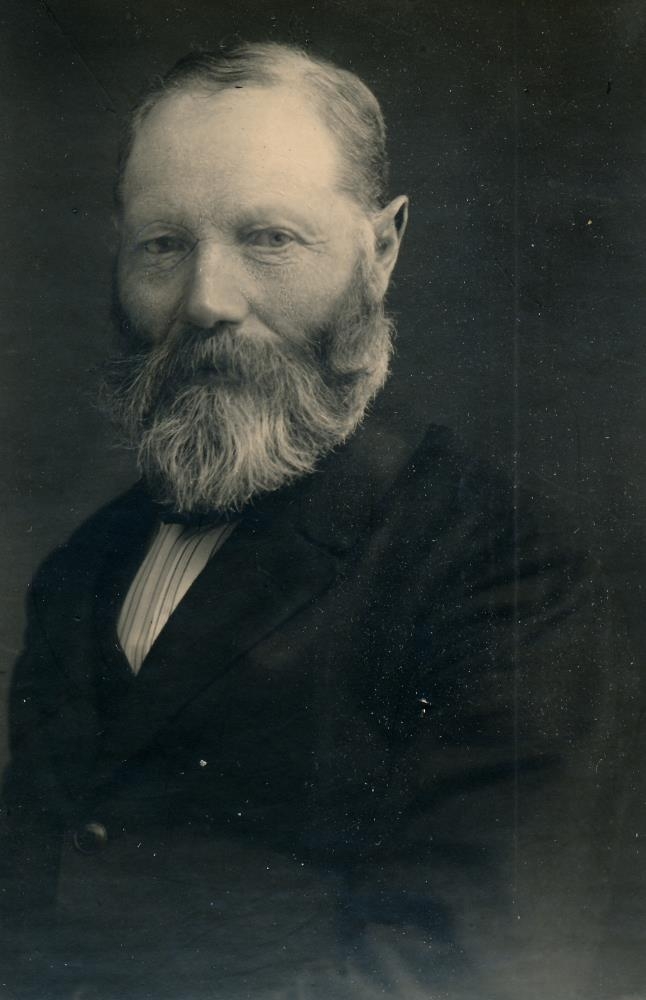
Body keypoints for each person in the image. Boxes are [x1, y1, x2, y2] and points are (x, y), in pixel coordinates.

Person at [0, 41, 634, 1000]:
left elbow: (471, 973)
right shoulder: (83, 568)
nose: (207, 301)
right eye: (164, 245)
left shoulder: (505, 571)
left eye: (269, 239)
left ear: (382, 248)